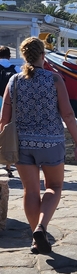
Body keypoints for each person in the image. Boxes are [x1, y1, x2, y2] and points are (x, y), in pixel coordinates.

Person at [0, 37, 77, 254]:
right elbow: (67, 113)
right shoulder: (54, 79)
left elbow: (4, 119)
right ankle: (41, 227)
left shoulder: (14, 81)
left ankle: (37, 240)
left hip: (22, 145)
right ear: (42, 56)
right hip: (51, 144)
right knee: (54, 187)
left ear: (24, 55)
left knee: (30, 191)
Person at [0, 45, 21, 177]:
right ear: (9, 56)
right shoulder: (15, 69)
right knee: (8, 133)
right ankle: (8, 166)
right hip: (8, 105)